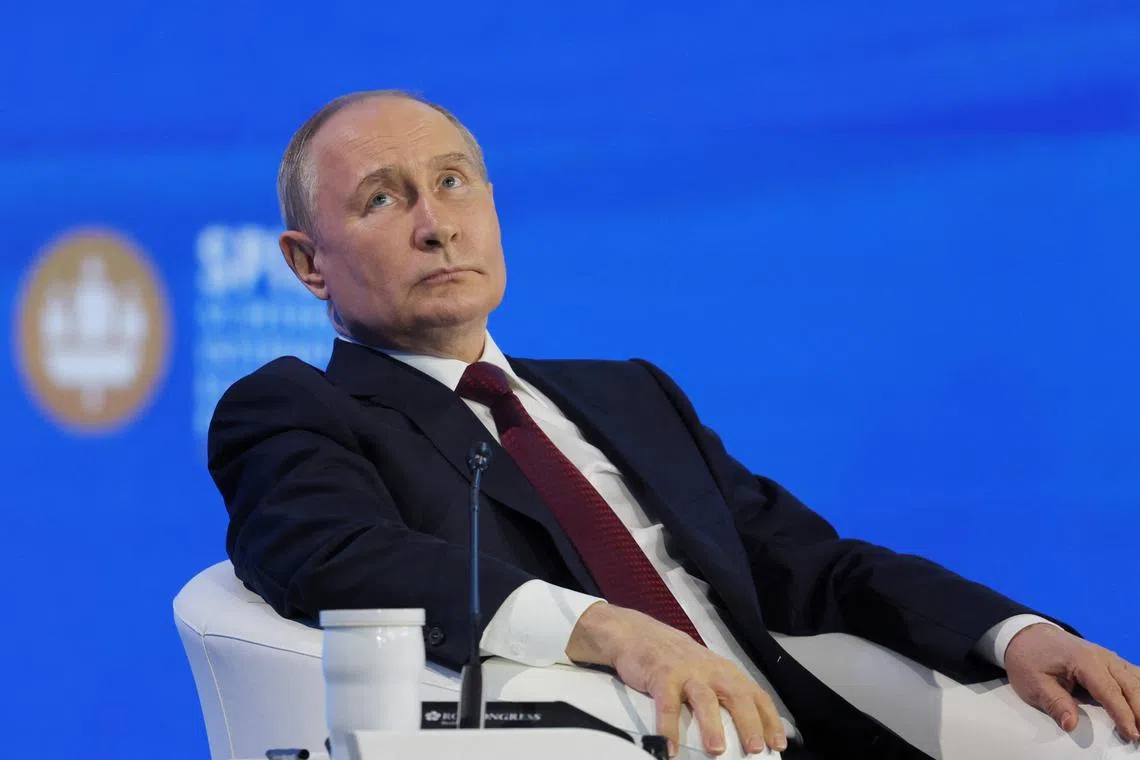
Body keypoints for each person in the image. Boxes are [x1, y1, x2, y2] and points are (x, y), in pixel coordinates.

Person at [207, 90, 1140, 760]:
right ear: (307, 264)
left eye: (453, 183)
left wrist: (1012, 634)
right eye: (383, 198)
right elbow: (337, 556)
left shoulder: (628, 393)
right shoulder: (294, 411)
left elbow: (810, 564)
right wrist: (608, 630)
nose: (435, 225)